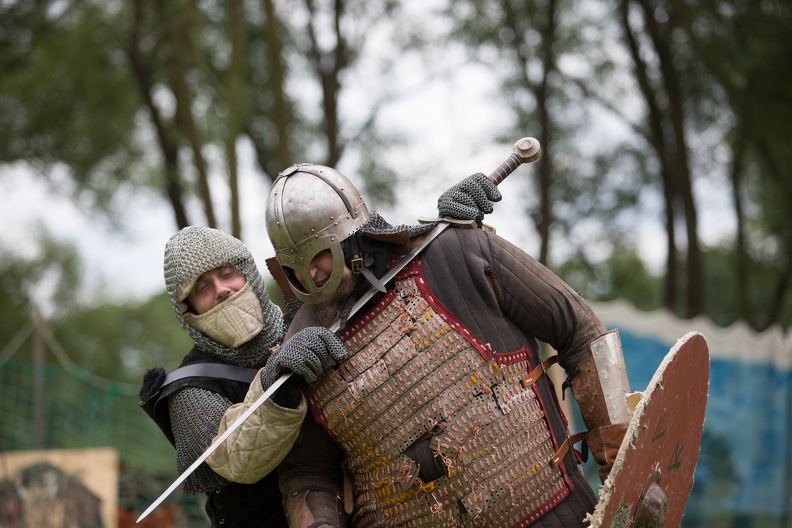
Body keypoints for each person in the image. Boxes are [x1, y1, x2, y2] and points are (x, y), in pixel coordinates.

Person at [264, 164, 630, 528]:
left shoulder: (453, 252)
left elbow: (577, 326)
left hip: (556, 515)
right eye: (294, 266)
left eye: (318, 255)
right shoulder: (301, 350)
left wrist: (622, 461)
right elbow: (307, 472)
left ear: (348, 236)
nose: (309, 275)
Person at [139, 175, 504, 527]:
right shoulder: (189, 389)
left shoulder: (307, 317)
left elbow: (363, 265)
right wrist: (275, 380)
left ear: (248, 273)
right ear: (188, 311)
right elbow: (238, 461)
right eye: (202, 287)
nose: (221, 289)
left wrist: (439, 228)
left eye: (227, 273)